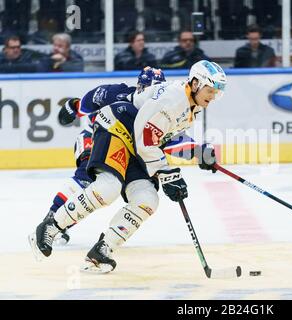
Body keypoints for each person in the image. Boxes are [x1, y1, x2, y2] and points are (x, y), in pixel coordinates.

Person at [29, 60, 224, 273]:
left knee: (147, 199)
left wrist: (198, 153)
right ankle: (52, 225)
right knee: (107, 187)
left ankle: (103, 249)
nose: (213, 96)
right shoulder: (173, 99)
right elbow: (145, 136)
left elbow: (164, 138)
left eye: (216, 92)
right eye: (210, 90)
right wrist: (167, 172)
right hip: (117, 127)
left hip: (137, 147)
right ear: (195, 83)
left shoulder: (190, 107)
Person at [42, 67, 166, 245]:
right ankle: (51, 219)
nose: (151, 95)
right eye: (147, 88)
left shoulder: (160, 114)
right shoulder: (119, 93)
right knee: (86, 178)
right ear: (139, 86)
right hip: (94, 136)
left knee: (103, 191)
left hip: (123, 149)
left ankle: (61, 225)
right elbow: (94, 97)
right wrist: (76, 107)